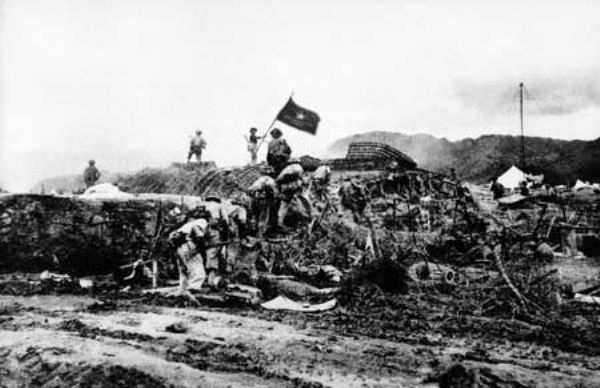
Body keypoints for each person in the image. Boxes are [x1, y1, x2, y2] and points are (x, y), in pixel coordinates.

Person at [167, 208, 211, 298]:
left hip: (178, 247)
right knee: (198, 271)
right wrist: (195, 250)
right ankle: (192, 292)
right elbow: (199, 237)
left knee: (184, 271)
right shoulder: (200, 222)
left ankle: (182, 291)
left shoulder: (185, 225)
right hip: (187, 245)